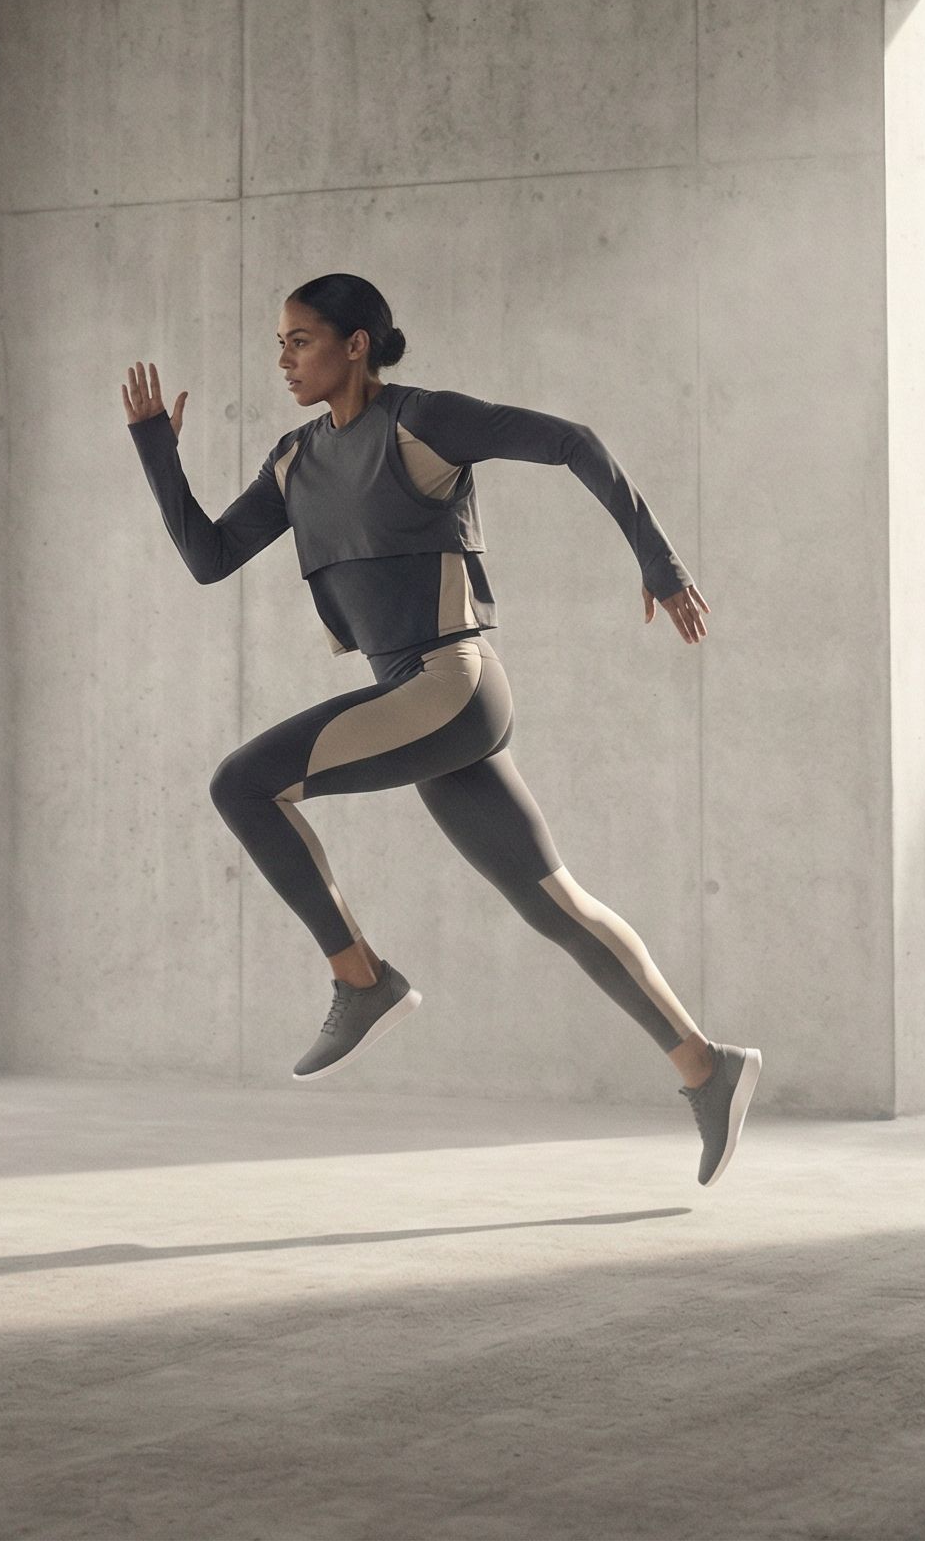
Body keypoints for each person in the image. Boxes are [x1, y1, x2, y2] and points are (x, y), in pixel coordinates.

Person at [122, 271, 761, 1186]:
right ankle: (708, 1066)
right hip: (418, 700)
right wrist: (157, 452)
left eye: (300, 340)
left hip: (451, 683)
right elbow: (208, 558)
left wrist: (657, 562)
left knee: (242, 784)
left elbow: (573, 442)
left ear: (356, 343)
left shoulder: (423, 422)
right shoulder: (295, 459)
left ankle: (361, 979)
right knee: (559, 908)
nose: (283, 359)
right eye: (279, 343)